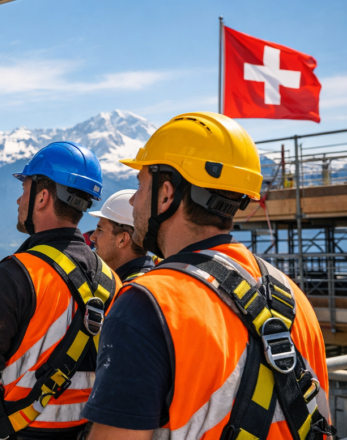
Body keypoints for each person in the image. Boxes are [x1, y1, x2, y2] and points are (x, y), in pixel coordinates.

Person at [82, 112, 332, 440]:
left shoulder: (146, 305)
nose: (133, 199)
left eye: (141, 185)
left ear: (166, 194)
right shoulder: (291, 296)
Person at [0, 142, 122, 440]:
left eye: (25, 189)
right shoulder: (112, 281)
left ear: (42, 197)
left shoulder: (16, 276)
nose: (18, 200)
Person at [89, 189, 154, 282]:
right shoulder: (138, 281)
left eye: (100, 230)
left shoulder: (133, 289)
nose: (92, 237)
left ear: (122, 239)